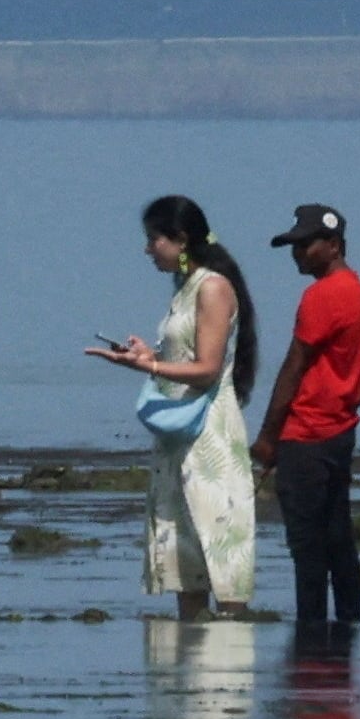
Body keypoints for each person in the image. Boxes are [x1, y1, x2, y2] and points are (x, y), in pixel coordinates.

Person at [86, 194, 258, 618]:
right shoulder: (186, 288)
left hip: (209, 433)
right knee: (185, 553)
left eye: (153, 240)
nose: (148, 250)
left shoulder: (213, 287)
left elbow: (207, 368)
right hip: (180, 433)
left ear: (180, 239)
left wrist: (150, 364)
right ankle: (191, 655)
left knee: (219, 544)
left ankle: (230, 651)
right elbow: (183, 359)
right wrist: (150, 357)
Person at [254, 202, 360, 629]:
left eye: (307, 245)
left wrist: (268, 436)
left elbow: (294, 367)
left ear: (334, 245)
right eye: (295, 245)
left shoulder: (322, 295)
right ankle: (347, 629)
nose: (298, 253)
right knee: (338, 538)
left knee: (307, 547)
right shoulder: (357, 291)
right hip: (339, 431)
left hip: (307, 434)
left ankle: (311, 637)